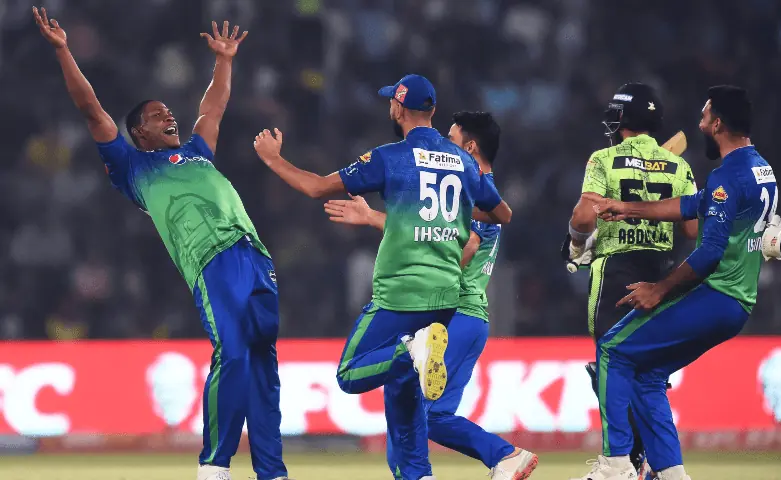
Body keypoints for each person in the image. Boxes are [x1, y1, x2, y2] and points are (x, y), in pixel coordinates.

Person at [33, 8, 289, 480]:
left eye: (168, 111)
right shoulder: (132, 168)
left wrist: (225, 62)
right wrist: (64, 50)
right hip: (212, 261)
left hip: (255, 256)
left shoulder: (195, 151)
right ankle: (213, 466)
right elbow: (91, 108)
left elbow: (213, 107)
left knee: (262, 366)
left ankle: (271, 472)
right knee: (231, 353)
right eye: (156, 115)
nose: (167, 114)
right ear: (139, 133)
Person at [252, 75, 512, 480]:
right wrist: (453, 213)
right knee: (405, 391)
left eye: (392, 101)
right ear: (432, 112)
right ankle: (417, 474)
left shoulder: (389, 157)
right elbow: (503, 214)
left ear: (398, 108)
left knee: (351, 371)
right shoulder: (462, 162)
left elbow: (317, 187)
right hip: (446, 298)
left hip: (401, 294)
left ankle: (411, 350)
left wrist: (272, 159)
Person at [323, 111, 537, 480]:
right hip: (468, 317)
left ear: (470, 146)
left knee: (411, 409)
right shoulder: (479, 185)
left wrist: (373, 218)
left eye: (451, 138)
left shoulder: (465, 185)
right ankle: (502, 458)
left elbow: (462, 242)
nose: (441, 144)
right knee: (427, 414)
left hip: (453, 314)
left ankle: (498, 457)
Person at [581, 85, 774, 480]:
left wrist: (659, 288)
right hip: (739, 302)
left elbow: (708, 253)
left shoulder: (729, 175)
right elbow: (691, 207)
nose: (699, 125)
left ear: (717, 123)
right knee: (648, 375)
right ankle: (671, 474)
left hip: (717, 294)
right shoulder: (760, 168)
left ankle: (616, 464)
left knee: (614, 351)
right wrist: (628, 206)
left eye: (705, 118)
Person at [565, 83, 698, 480]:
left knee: (610, 364)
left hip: (617, 273)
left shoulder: (604, 158)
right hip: (662, 275)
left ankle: (620, 462)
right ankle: (660, 465)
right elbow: (691, 229)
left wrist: (575, 240)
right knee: (649, 376)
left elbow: (584, 218)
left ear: (622, 119)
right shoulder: (680, 166)